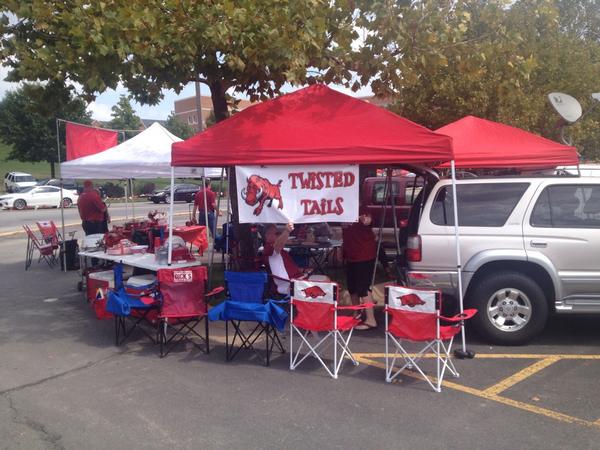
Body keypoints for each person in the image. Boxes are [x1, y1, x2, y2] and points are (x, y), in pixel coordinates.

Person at [342, 209, 377, 330]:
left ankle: (371, 319)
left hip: (364, 254)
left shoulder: (363, 209)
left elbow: (368, 221)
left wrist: (366, 221)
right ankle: (357, 313)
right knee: (352, 287)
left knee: (363, 287)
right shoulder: (341, 209)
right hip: (351, 254)